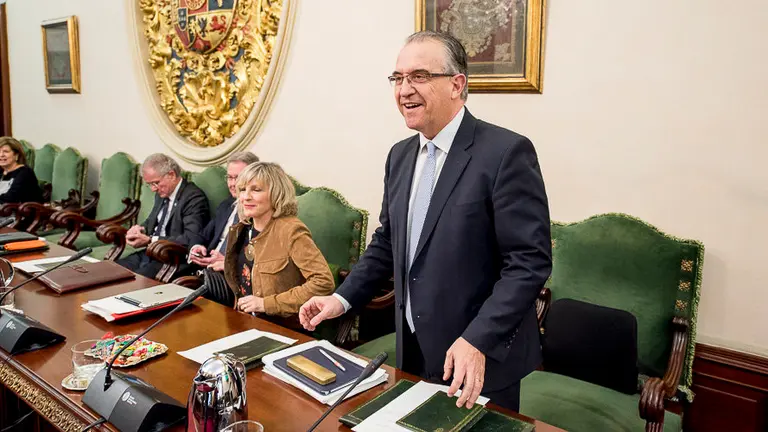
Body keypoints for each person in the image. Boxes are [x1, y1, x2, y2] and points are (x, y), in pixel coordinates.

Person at [299, 31, 552, 412]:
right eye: (397, 78)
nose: (404, 90)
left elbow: (528, 263)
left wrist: (478, 339)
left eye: (419, 76)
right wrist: (341, 298)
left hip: (478, 357)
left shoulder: (505, 153)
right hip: (413, 348)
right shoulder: (399, 156)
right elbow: (388, 242)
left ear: (457, 84)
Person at [220, 162, 334, 320]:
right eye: (243, 189)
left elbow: (323, 282)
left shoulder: (291, 230)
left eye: (256, 190)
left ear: (276, 194)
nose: (246, 197)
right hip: (243, 319)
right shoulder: (242, 228)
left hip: (280, 325)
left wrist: (266, 304)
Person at [116, 153, 209, 279]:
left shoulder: (194, 197)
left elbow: (191, 238)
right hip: (151, 253)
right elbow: (152, 221)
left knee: (135, 280)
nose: (153, 189)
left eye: (155, 183)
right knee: (114, 270)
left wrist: (150, 240)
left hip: (173, 259)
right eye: (149, 184)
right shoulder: (162, 193)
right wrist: (139, 229)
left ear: (171, 175)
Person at [184, 151, 260, 275]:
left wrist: (227, 262)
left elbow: (258, 260)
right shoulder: (226, 205)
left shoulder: (259, 213)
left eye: (238, 177)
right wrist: (196, 247)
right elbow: (202, 235)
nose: (232, 184)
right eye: (230, 177)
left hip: (231, 276)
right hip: (205, 270)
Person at [0, 137, 43, 204]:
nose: (1, 155)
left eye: (6, 151)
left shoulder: (25, 173)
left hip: (23, 210)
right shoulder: (2, 173)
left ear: (16, 155)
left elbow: (10, 199)